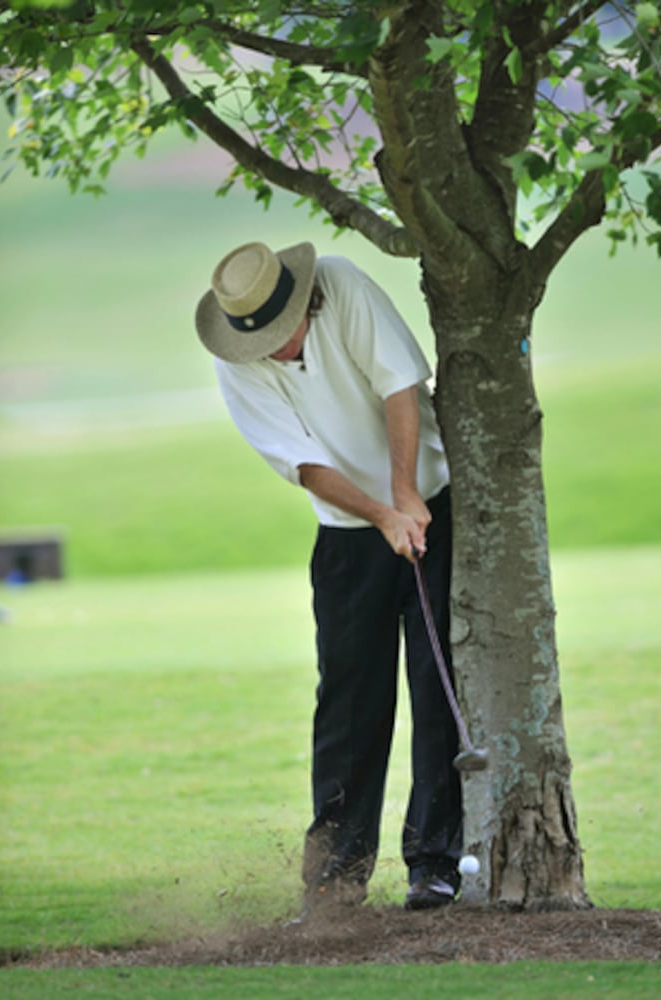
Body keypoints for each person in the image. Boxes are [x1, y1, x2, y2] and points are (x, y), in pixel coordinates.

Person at [195, 240, 463, 912]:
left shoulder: (344, 288)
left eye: (286, 336)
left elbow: (400, 384)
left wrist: (406, 495)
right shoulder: (238, 360)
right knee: (348, 705)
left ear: (304, 300)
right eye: (265, 343)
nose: (278, 351)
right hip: (347, 537)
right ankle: (336, 878)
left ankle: (434, 864)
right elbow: (304, 464)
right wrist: (379, 514)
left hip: (432, 506)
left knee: (438, 689)